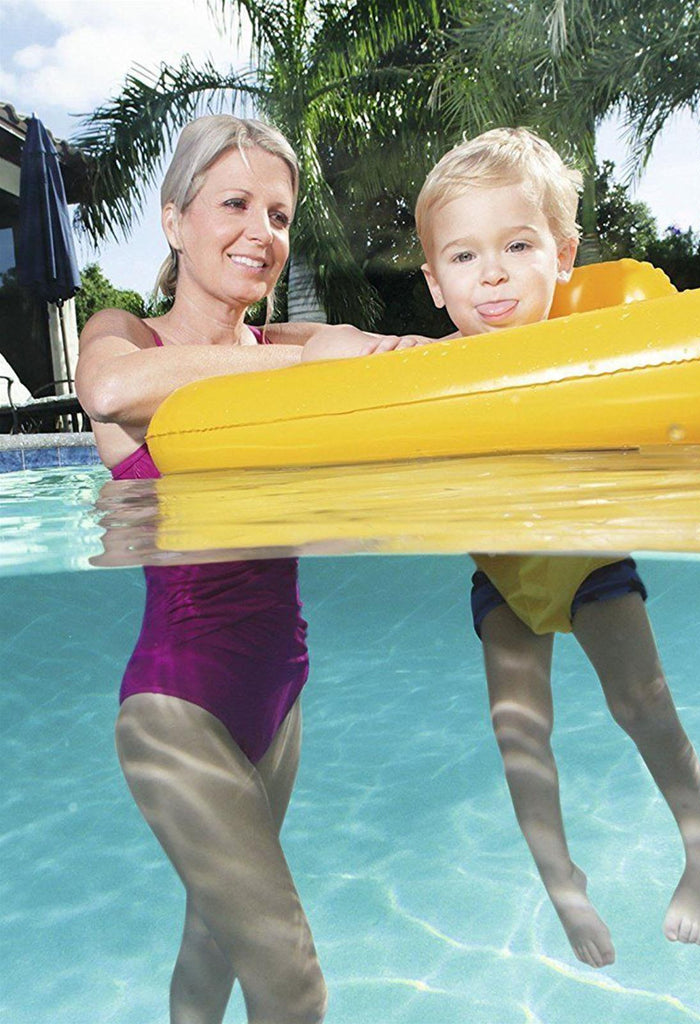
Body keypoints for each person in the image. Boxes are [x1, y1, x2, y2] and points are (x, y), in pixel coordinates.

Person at [304, 127, 700, 969]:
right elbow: (322, 350)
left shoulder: (588, 355)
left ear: (563, 255)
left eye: (517, 246)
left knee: (644, 707)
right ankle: (562, 880)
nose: (490, 274)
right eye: (463, 257)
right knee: (518, 732)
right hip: (501, 578)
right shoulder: (434, 365)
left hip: (590, 563)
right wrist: (394, 350)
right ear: (433, 281)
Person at [75, 114, 416, 1023]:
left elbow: (392, 357)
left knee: (213, 950)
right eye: (234, 204)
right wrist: (304, 368)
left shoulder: (287, 347)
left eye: (279, 214)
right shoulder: (126, 334)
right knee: (293, 984)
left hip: (279, 696)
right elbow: (107, 390)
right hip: (175, 705)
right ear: (174, 219)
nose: (261, 232)